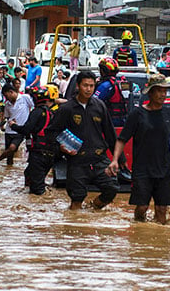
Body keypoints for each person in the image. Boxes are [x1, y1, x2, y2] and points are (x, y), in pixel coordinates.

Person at [107, 74, 170, 224]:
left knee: (161, 209)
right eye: (159, 90)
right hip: (142, 169)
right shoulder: (137, 114)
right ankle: (139, 232)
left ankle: (158, 242)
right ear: (150, 92)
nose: (162, 94)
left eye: (164, 91)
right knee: (142, 207)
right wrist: (115, 160)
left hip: (165, 169)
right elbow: (122, 139)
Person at [46, 71, 119, 210]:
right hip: (77, 162)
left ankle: (94, 208)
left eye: (91, 86)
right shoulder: (66, 108)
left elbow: (110, 133)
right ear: (78, 86)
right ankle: (76, 224)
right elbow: (51, 132)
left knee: (111, 188)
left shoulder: (100, 106)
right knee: (76, 198)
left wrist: (119, 159)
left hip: (99, 159)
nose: (88, 89)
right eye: (85, 85)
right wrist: (60, 147)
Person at [9, 86, 56, 193]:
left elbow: (26, 129)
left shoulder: (37, 112)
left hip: (38, 153)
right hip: (50, 153)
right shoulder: (51, 113)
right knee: (29, 175)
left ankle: (39, 207)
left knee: (37, 189)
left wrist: (13, 126)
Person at [0, 83, 34, 166]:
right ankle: (8, 171)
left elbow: (33, 107)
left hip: (20, 130)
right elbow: (7, 117)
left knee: (12, 148)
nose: (6, 98)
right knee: (10, 156)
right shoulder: (7, 104)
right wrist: (2, 124)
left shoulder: (25, 98)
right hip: (9, 131)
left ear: (11, 92)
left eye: (6, 96)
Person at [94, 57, 128, 127]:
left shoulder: (105, 86)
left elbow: (93, 102)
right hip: (123, 119)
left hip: (109, 119)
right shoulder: (122, 83)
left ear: (103, 71)